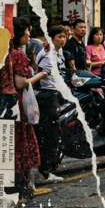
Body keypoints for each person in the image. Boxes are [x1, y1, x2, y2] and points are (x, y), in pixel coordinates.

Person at [0, 17, 48, 198]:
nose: (30, 34)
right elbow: (21, 83)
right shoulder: (17, 55)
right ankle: (22, 185)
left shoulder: (9, 53)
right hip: (18, 103)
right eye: (27, 30)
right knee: (21, 143)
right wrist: (41, 75)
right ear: (19, 33)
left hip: (9, 104)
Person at [34, 25, 68, 182]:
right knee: (50, 134)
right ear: (51, 38)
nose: (62, 39)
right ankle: (46, 171)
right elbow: (43, 75)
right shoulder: (49, 55)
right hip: (48, 97)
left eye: (64, 36)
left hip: (52, 94)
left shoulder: (56, 52)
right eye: (59, 37)